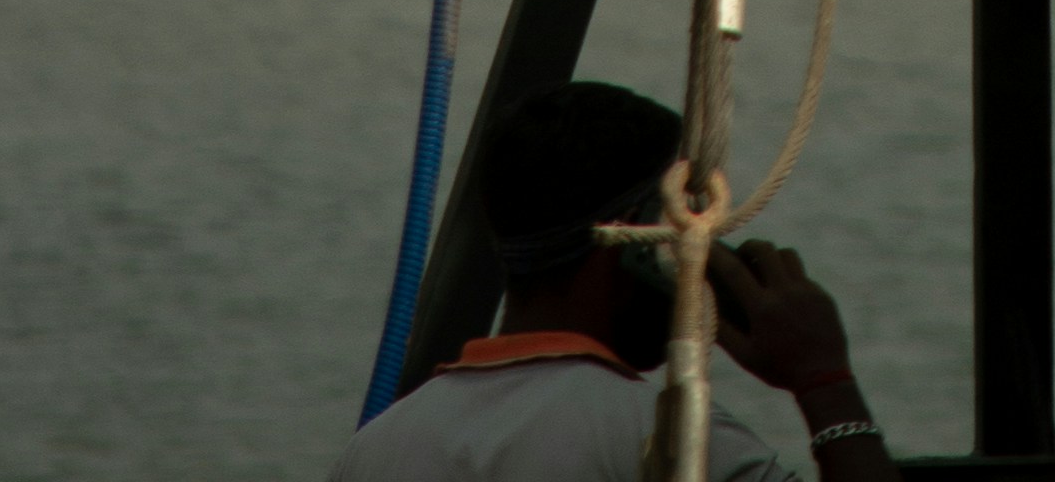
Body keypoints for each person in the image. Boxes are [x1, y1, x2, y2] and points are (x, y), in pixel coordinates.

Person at [330, 82, 894, 481]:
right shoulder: (664, 441)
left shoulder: (375, 451)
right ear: (637, 242)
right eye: (680, 224)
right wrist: (825, 383)